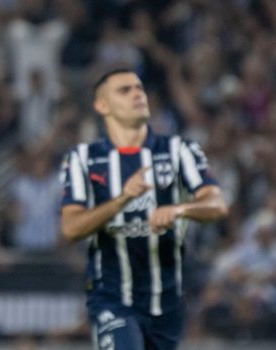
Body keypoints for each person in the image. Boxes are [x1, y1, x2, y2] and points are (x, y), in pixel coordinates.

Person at [59, 68, 228, 350]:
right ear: (102, 105)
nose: (137, 94)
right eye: (124, 90)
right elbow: (72, 227)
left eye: (139, 88)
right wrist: (121, 199)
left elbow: (217, 203)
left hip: (166, 302)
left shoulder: (178, 149)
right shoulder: (83, 159)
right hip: (112, 297)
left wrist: (179, 209)